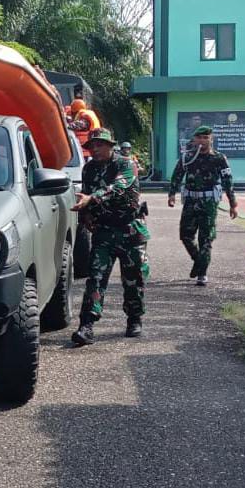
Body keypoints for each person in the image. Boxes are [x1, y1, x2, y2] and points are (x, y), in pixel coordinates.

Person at [70, 128, 150, 347]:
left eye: (99, 145)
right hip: (104, 232)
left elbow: (119, 187)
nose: (94, 150)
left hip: (130, 230)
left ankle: (134, 318)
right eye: (91, 146)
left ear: (111, 146)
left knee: (134, 279)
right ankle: (86, 325)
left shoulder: (126, 164)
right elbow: (84, 195)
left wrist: (91, 199)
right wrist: (86, 216)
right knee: (95, 277)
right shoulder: (89, 169)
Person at [168, 126, 238, 287]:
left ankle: (202, 273)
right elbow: (177, 175)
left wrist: (233, 203)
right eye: (199, 137)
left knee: (205, 238)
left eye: (205, 138)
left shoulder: (219, 158)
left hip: (208, 202)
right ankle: (199, 261)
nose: (202, 141)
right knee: (185, 235)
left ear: (211, 139)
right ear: (194, 139)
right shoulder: (187, 157)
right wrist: (171, 194)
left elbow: (228, 181)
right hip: (191, 201)